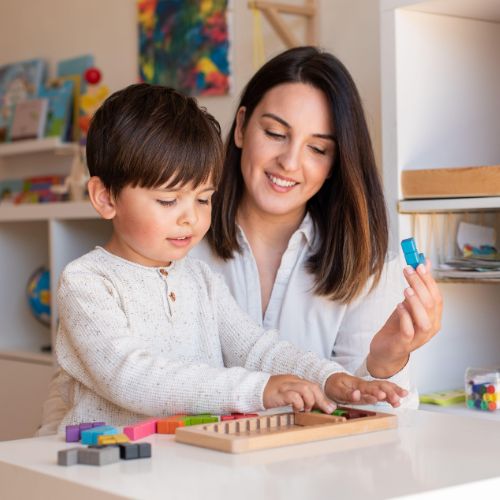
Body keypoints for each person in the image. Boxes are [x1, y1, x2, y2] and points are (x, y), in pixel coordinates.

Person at [38, 83, 407, 435]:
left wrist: (327, 377)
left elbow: (255, 347)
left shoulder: (200, 279)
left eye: (203, 199)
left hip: (186, 461)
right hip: (104, 472)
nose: (191, 218)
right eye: (168, 201)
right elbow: (131, 377)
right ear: (105, 198)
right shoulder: (88, 281)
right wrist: (257, 390)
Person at [191, 46, 443, 409]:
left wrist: (386, 363)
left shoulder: (364, 264)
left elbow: (376, 436)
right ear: (242, 126)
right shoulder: (179, 240)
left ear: (335, 164)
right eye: (276, 133)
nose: (289, 162)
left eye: (318, 149)